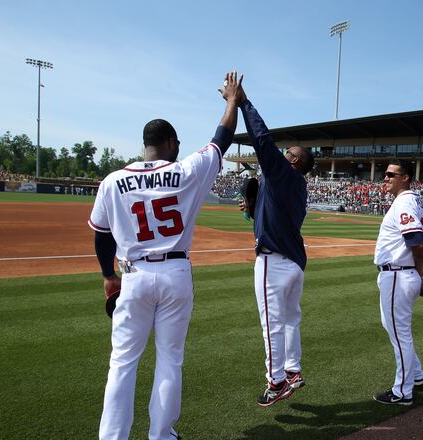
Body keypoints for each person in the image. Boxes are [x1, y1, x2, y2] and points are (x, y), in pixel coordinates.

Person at [89, 71, 243, 440]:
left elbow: (101, 235)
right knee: (170, 359)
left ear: (145, 144)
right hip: (175, 273)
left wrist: (108, 276)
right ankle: (161, 434)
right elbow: (221, 139)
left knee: (122, 363)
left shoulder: (112, 180)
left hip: (134, 276)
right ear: (171, 143)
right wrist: (232, 102)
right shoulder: (186, 171)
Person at [237, 90, 315, 406]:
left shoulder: (284, 175)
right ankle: (293, 370)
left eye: (288, 152)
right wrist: (253, 209)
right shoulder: (294, 186)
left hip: (274, 262)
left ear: (294, 161)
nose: (283, 153)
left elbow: (263, 140)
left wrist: (243, 102)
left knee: (271, 323)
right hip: (294, 262)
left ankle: (277, 381)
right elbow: (272, 220)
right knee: (289, 321)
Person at [372, 160, 423, 406]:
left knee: (400, 333)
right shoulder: (412, 201)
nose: (385, 178)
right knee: (392, 326)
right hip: (402, 273)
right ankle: (416, 374)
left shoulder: (405, 201)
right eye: (384, 174)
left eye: (390, 174)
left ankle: (402, 392)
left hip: (397, 273)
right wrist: (419, 275)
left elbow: (416, 242)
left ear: (405, 177)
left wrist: (416, 274)